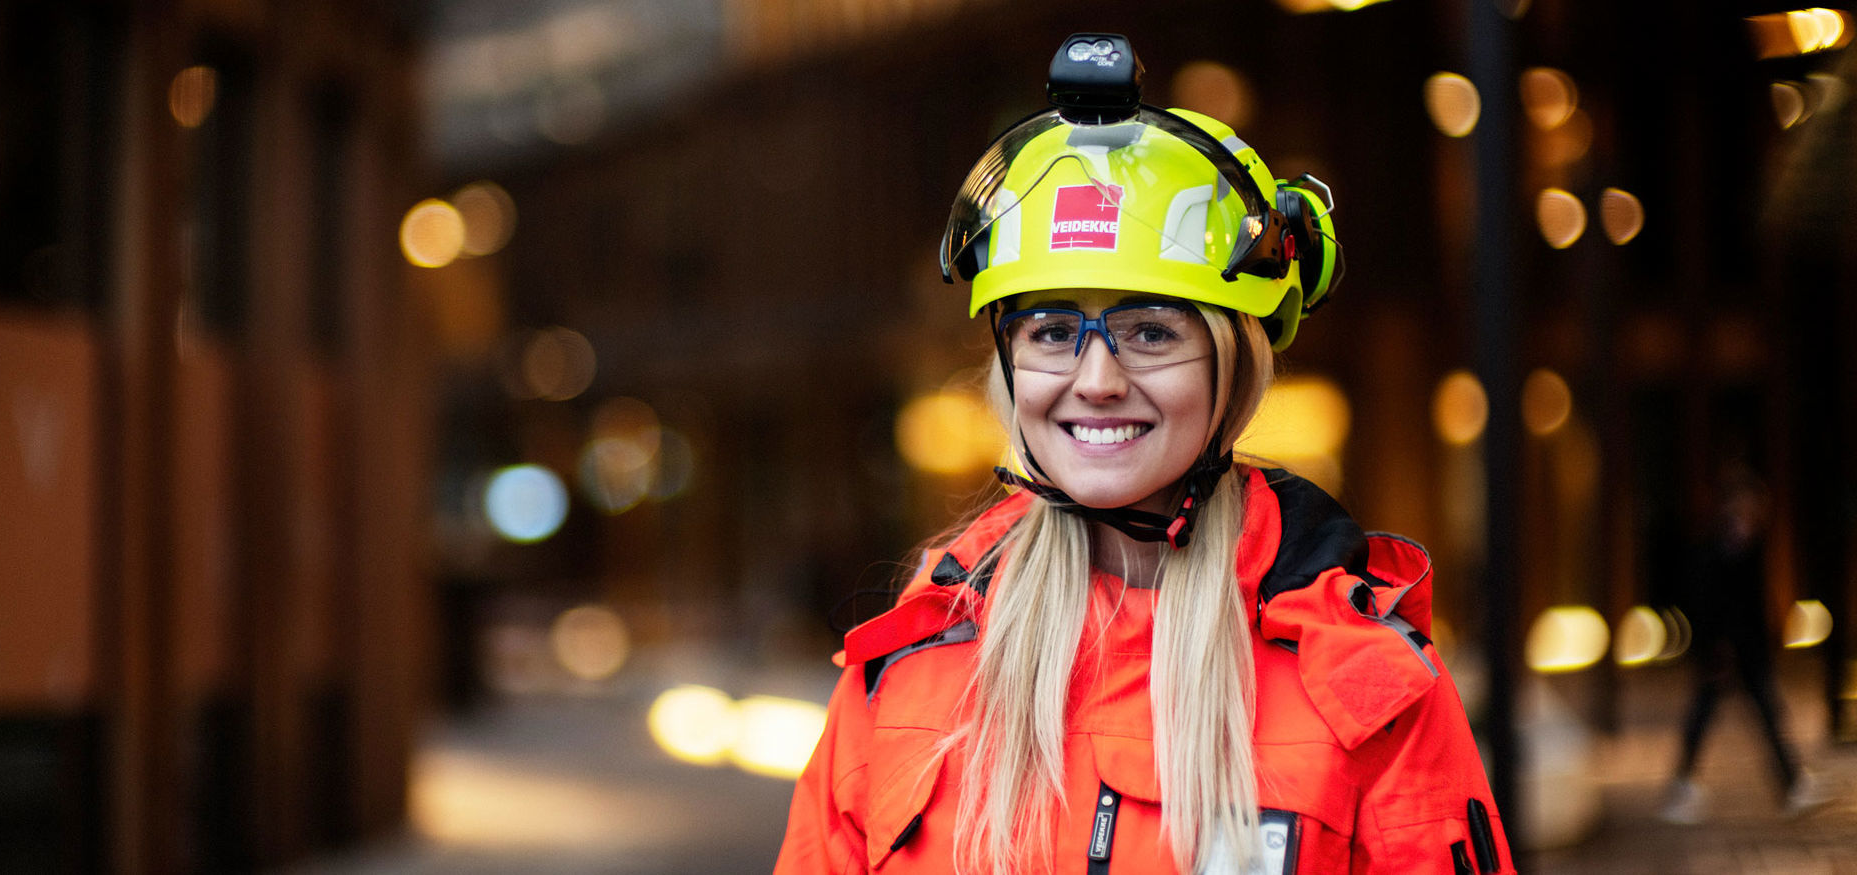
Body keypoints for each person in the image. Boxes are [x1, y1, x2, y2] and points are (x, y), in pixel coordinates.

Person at [776, 34, 1511, 874]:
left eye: (1150, 332)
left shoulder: (1366, 686)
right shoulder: (907, 663)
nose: (1096, 379)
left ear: (1233, 367)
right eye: (1053, 330)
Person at [1659, 464, 1828, 824]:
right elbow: (1709, 600)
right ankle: (1683, 788)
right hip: (1722, 651)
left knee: (1766, 715)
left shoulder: (1750, 546)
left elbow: (1753, 604)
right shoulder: (1716, 548)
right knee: (1707, 716)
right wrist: (1715, 645)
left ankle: (1792, 783)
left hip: (1749, 650)